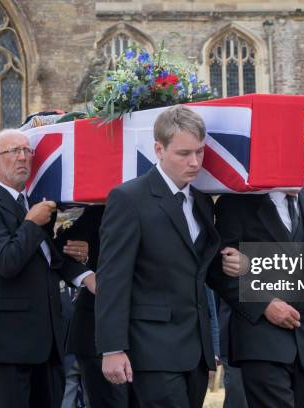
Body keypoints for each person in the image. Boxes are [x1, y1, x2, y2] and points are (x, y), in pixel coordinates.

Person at [210, 142, 304, 408]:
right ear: (279, 160)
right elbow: (218, 272)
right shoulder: (236, 204)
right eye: (300, 161)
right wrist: (264, 304)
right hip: (259, 341)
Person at [94, 105, 222, 408]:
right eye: (184, 153)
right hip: (151, 348)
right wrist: (112, 348)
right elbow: (113, 278)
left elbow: (200, 271)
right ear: (158, 149)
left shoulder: (202, 202)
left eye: (200, 152)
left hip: (196, 352)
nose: (194, 162)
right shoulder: (128, 199)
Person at [0, 129, 93, 408]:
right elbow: (6, 261)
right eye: (13, 151)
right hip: (9, 343)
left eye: (27, 150)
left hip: (49, 343)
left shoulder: (38, 206)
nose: (23, 157)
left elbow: (49, 261)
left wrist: (82, 268)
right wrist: (31, 223)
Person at [55, 205, 136, 407]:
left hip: (154, 335)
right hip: (97, 331)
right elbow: (59, 250)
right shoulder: (101, 212)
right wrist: (88, 275)